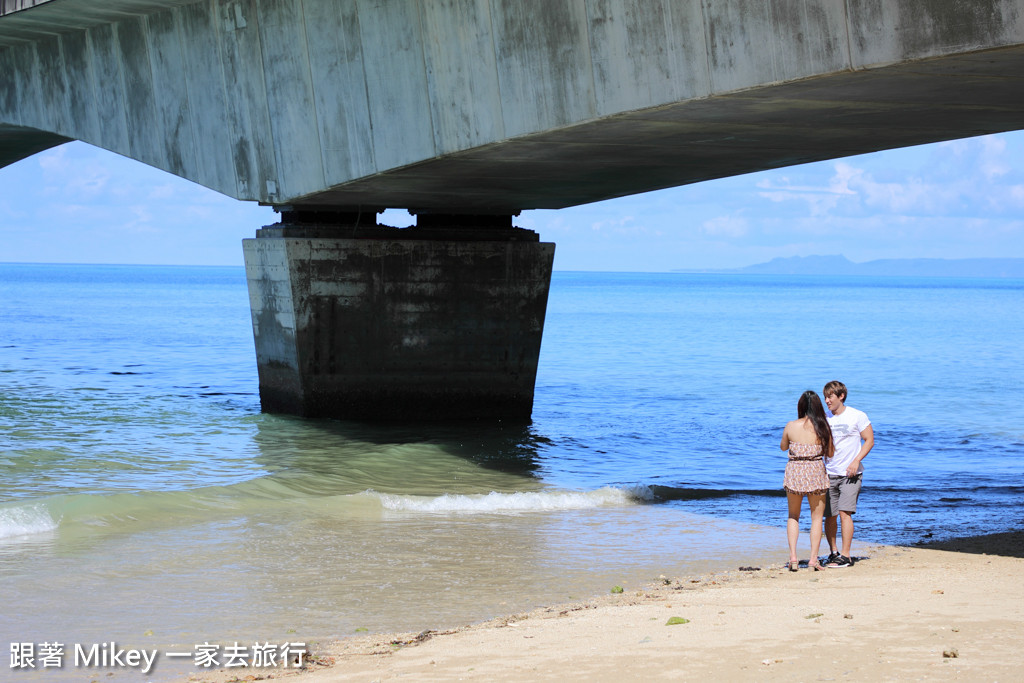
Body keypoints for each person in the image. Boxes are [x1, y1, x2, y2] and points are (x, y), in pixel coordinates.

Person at [822, 380, 874, 568]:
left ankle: (846, 555)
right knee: (829, 515)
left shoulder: (857, 415)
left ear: (841, 396)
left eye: (830, 396)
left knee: (845, 512)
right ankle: (834, 552)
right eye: (825, 397)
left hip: (850, 474)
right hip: (829, 473)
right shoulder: (825, 418)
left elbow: (869, 440)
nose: (827, 400)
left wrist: (856, 461)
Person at [780, 390, 834, 571]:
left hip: (795, 471)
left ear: (800, 406)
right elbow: (831, 453)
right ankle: (813, 560)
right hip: (815, 472)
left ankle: (793, 558)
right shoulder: (823, 427)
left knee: (793, 515)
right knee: (816, 518)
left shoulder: (791, 425)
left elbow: (783, 447)